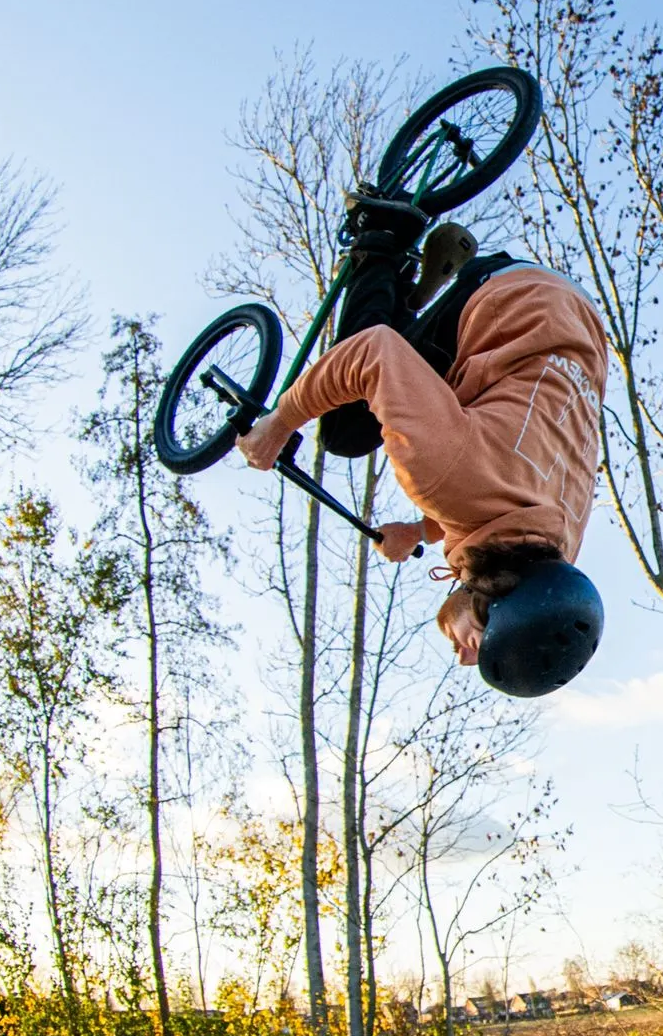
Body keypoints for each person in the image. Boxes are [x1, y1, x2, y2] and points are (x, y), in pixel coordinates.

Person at [234, 190, 609, 696]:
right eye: (478, 644)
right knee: (346, 428)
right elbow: (372, 353)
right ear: (496, 600)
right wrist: (280, 424)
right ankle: (382, 235)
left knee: (444, 395)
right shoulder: (447, 477)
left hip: (579, 326)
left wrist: (419, 530)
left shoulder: (558, 541)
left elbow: (502, 489)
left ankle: (409, 292)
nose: (462, 655)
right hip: (510, 294)